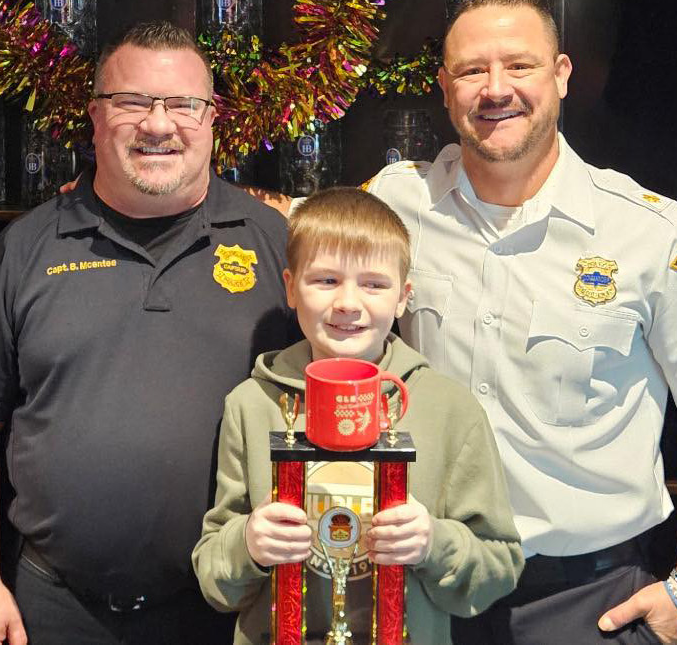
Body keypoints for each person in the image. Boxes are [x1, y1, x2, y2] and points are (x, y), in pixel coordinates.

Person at [362, 0, 677, 644]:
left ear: (560, 76)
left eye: (520, 65)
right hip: (423, 592)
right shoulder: (394, 204)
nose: (496, 88)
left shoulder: (654, 233)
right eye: (472, 70)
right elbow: (299, 236)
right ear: (444, 88)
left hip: (587, 603)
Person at [0, 20, 298, 645]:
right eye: (132, 102)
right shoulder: (24, 249)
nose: (158, 125)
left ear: (212, 118)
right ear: (97, 118)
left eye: (184, 104)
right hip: (56, 609)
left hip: (231, 608)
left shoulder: (275, 244)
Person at [194, 186, 525, 645]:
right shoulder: (252, 404)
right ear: (290, 287)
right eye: (326, 280)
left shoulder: (451, 409)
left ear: (404, 296)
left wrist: (433, 543)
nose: (348, 303)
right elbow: (214, 575)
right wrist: (247, 544)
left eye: (373, 284)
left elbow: (499, 567)